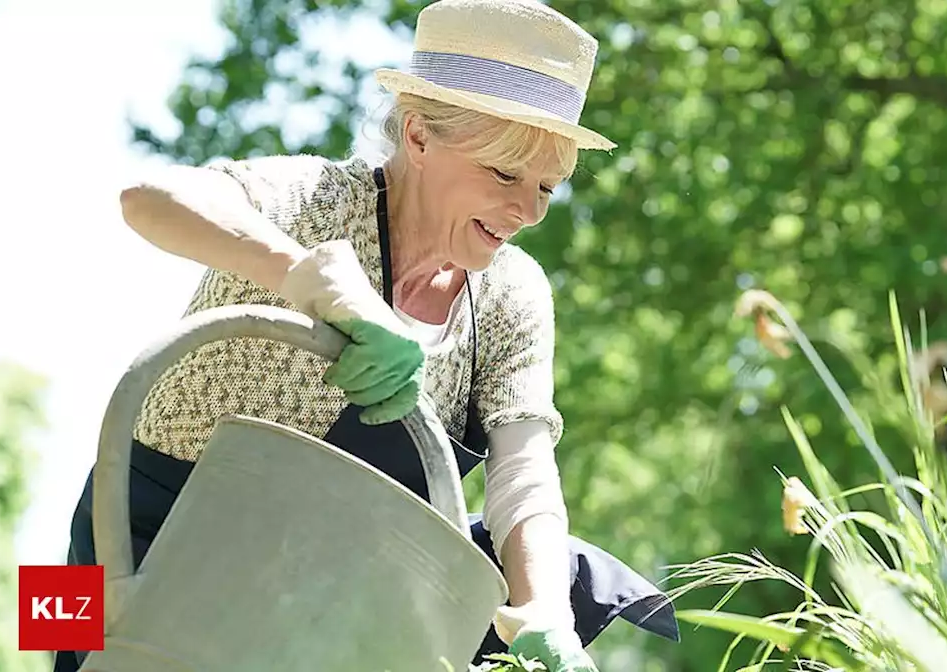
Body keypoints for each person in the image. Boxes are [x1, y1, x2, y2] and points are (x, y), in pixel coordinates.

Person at [52, 1, 678, 670]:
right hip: (128, 543)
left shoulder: (511, 295)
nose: (527, 211)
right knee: (51, 640)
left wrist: (545, 609)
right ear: (417, 136)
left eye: (547, 188)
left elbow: (524, 467)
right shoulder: (314, 200)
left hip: (321, 601)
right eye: (504, 174)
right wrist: (307, 276)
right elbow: (147, 196)